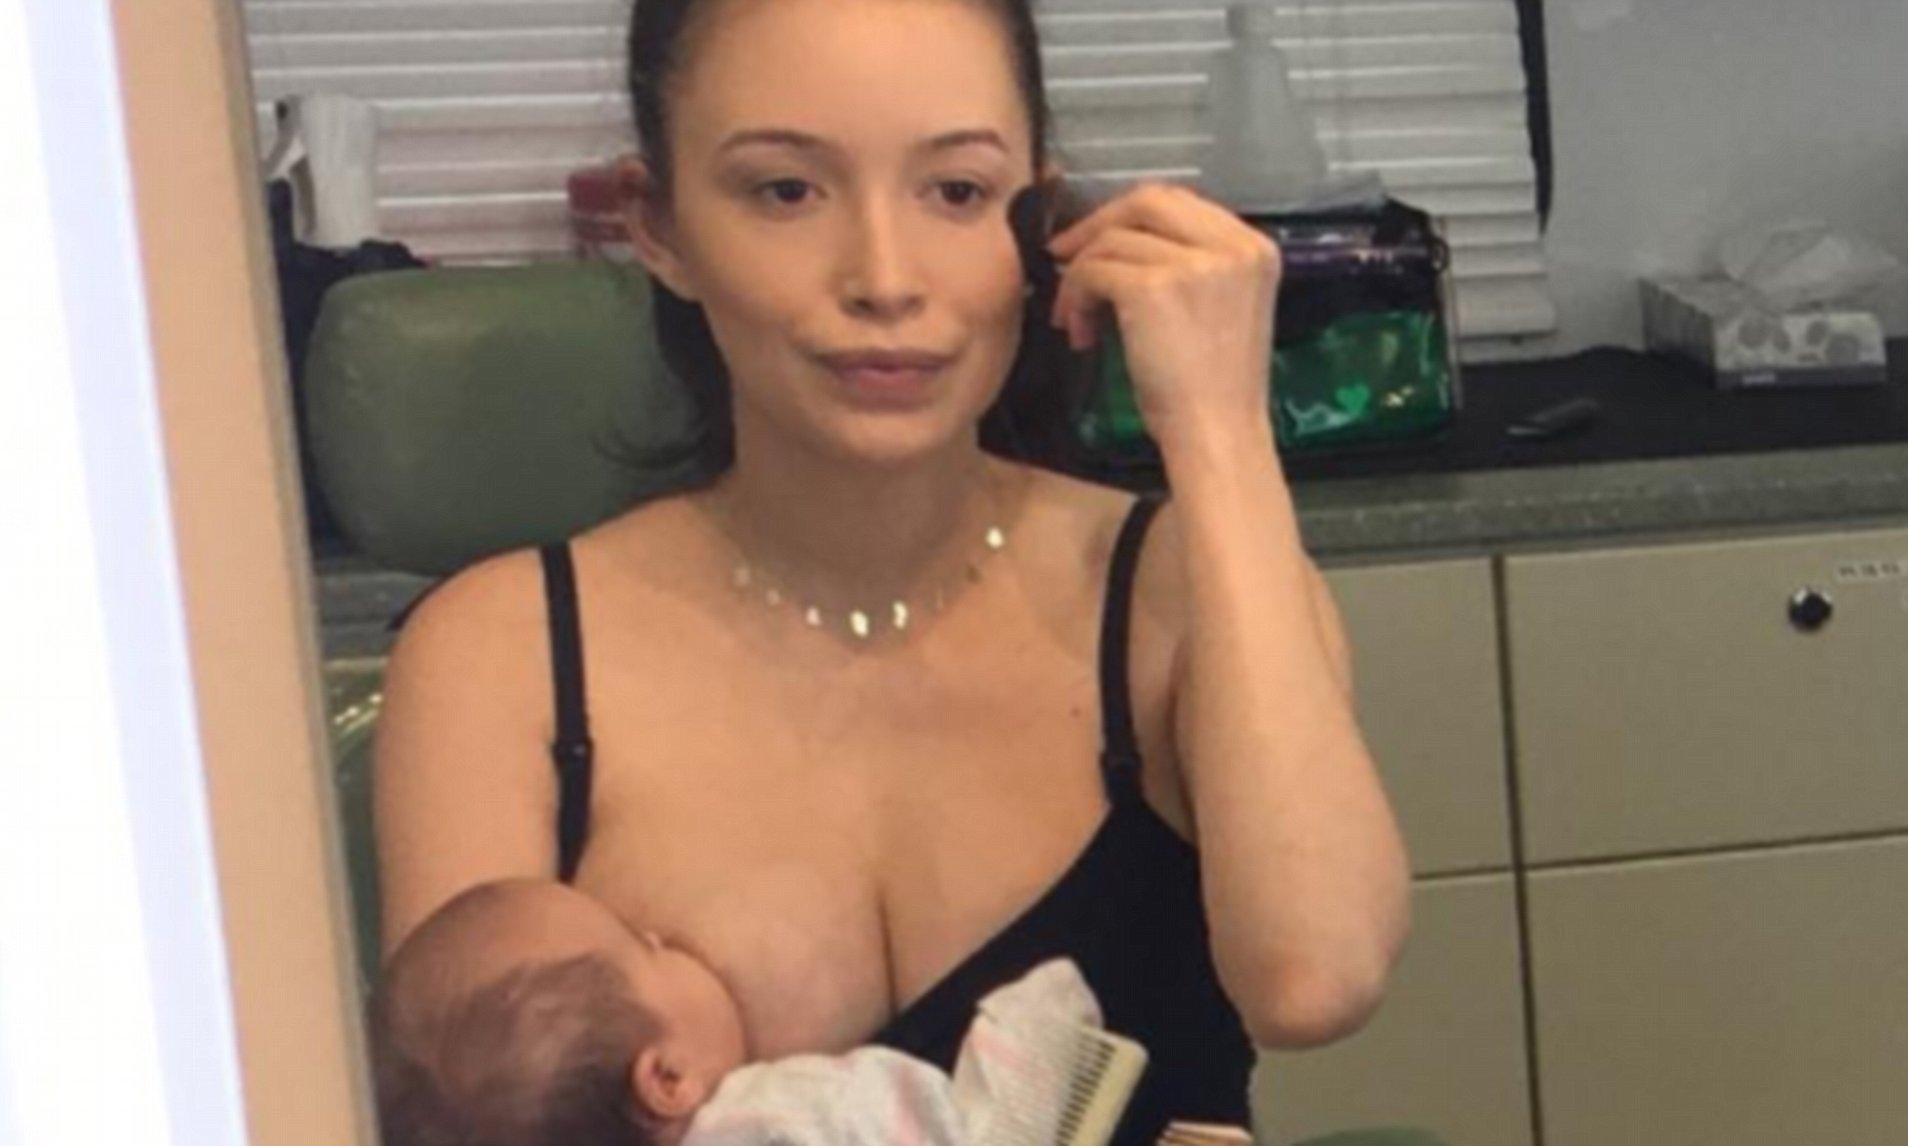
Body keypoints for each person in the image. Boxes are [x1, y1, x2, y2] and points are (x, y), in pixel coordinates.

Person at [371, 0, 1413, 1140]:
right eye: (785, 191)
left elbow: (1317, 978)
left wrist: (1219, 427)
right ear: (656, 225)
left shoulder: (1176, 580)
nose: (883, 276)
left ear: (1042, 228)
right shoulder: (501, 655)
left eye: (957, 192)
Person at [370, 878, 1114, 1146]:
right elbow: (987, 1131)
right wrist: (1041, 1012)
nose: (661, 934)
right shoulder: (780, 1117)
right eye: (643, 946)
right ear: (666, 1079)